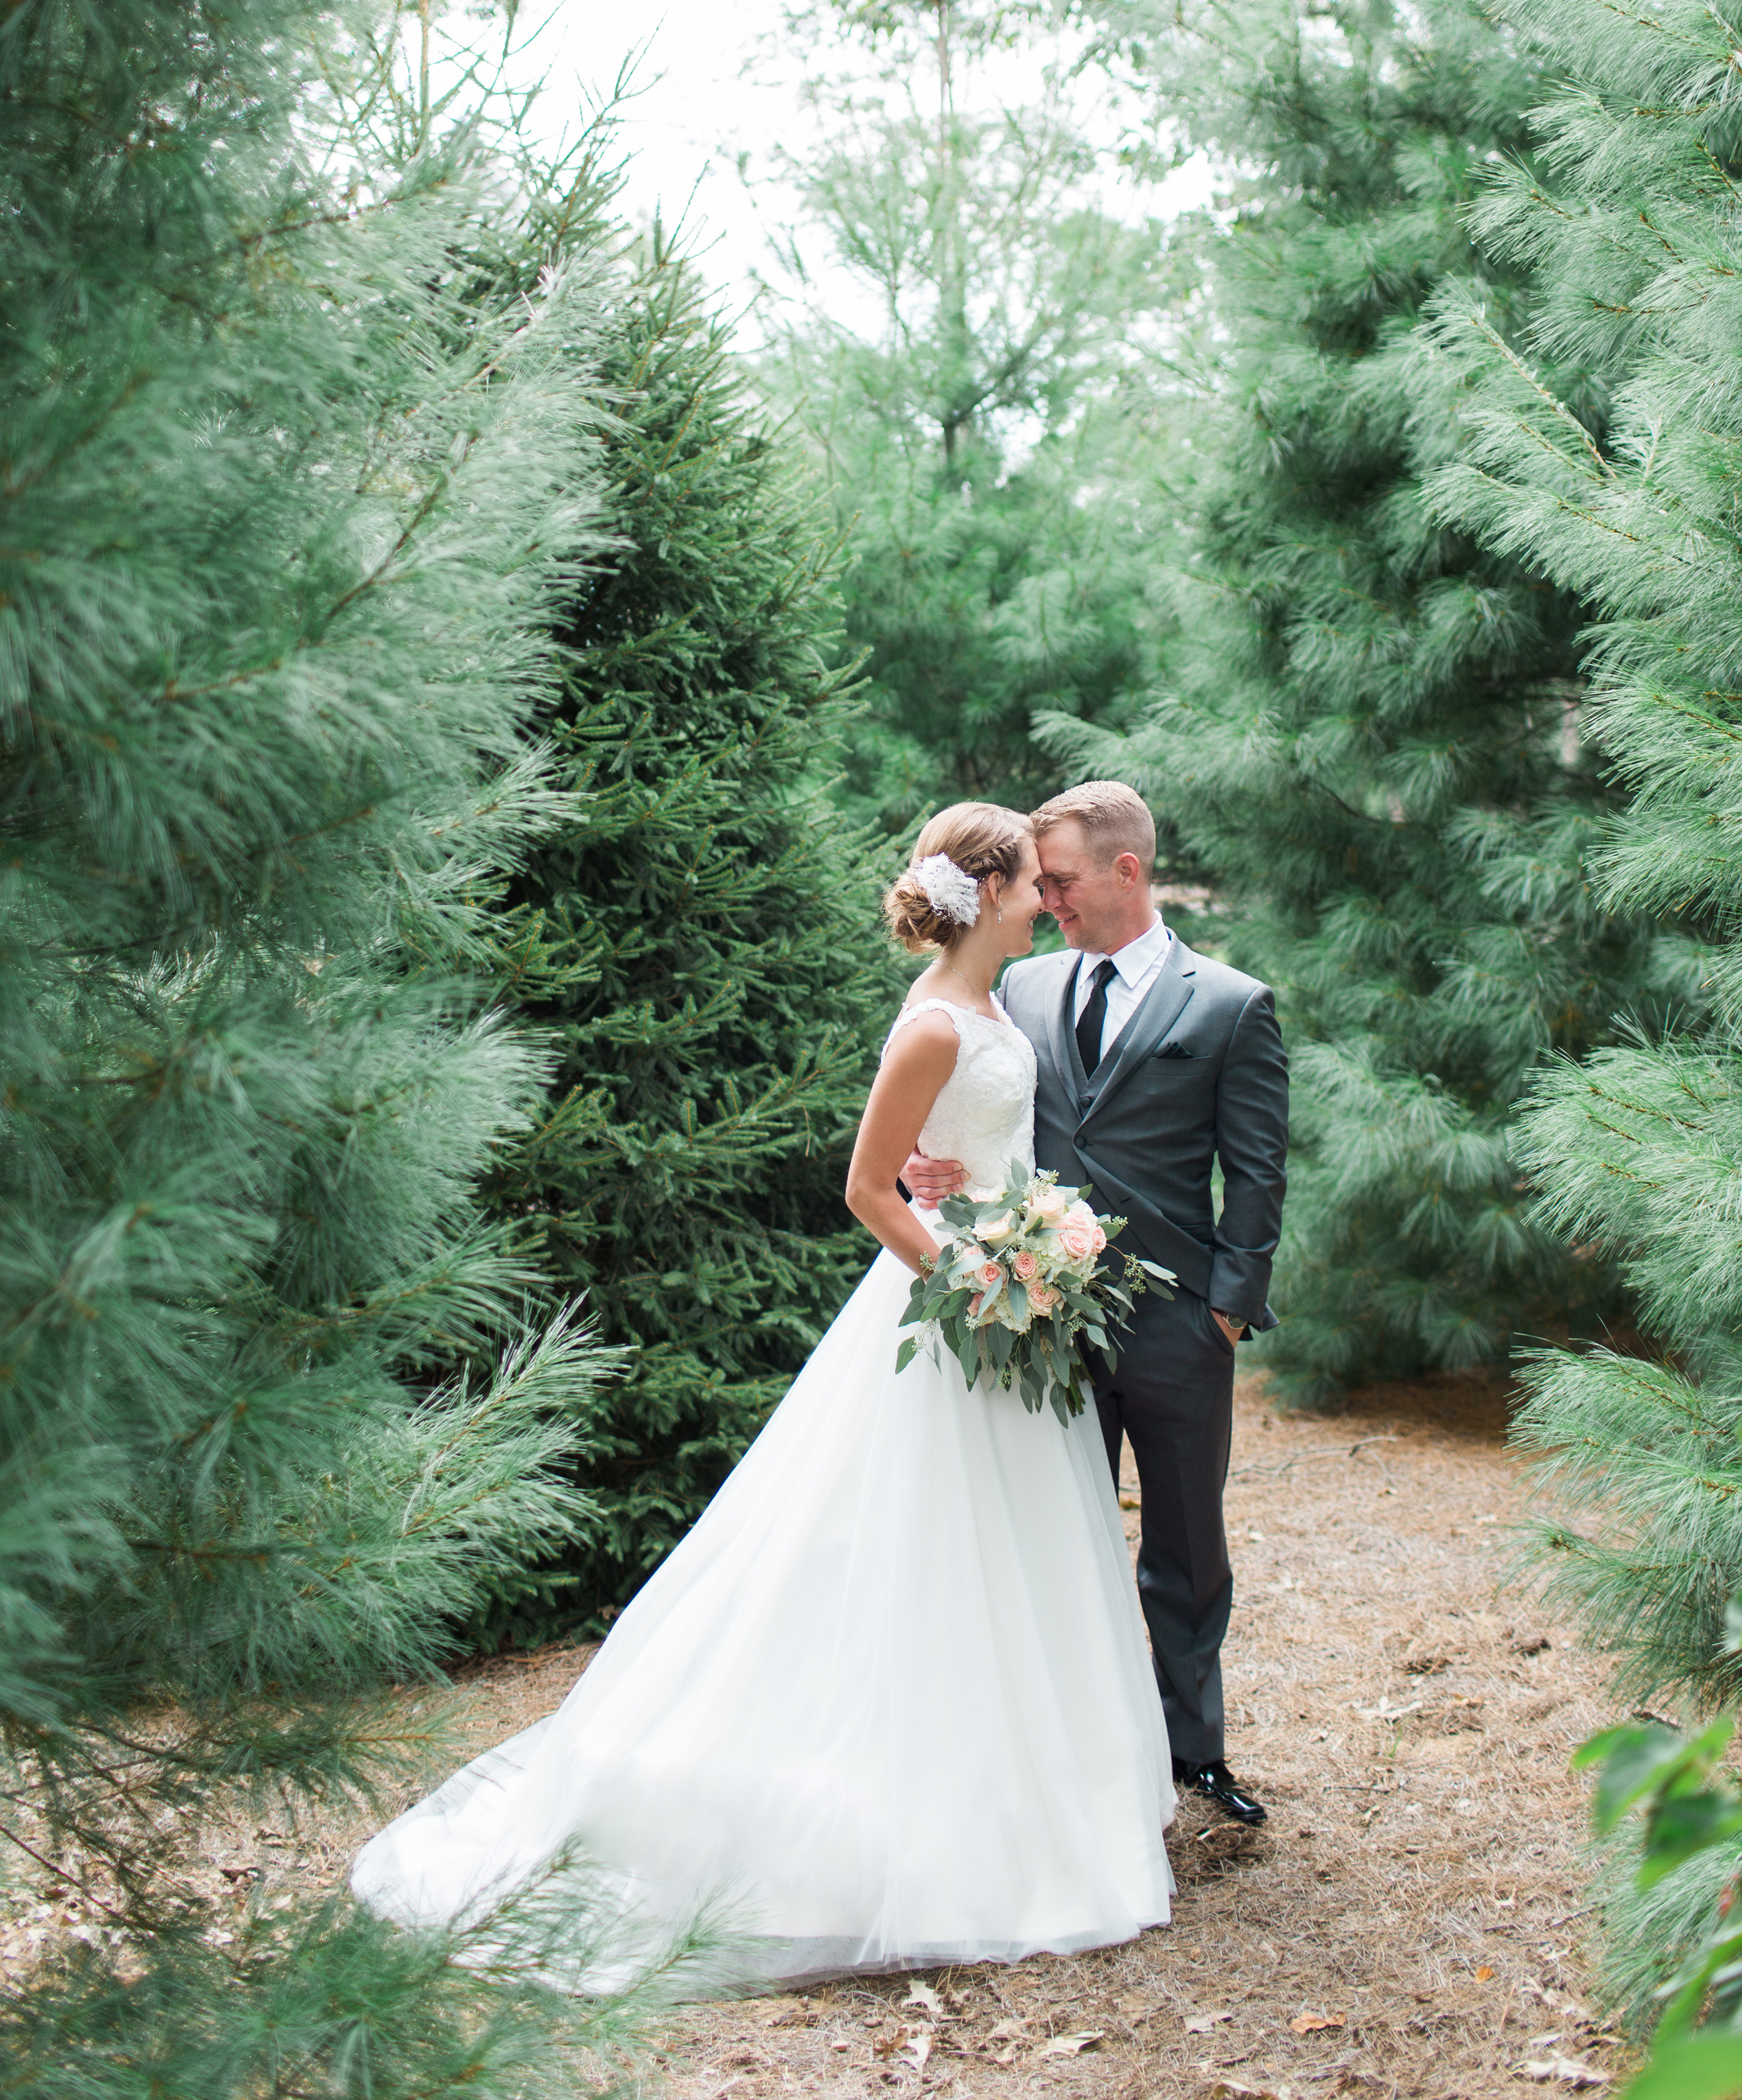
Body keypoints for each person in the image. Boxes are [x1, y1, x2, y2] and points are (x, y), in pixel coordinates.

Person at [349, 803, 1174, 1995]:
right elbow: (868, 1185)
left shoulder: (1001, 1000)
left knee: (1019, 1558)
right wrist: (979, 1275)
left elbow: (978, 1154)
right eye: (1029, 882)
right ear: (989, 891)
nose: (1048, 896)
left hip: (1013, 1307)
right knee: (918, 1555)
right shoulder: (937, 1020)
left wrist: (1033, 1240)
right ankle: (901, 1817)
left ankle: (1027, 1791)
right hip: (957, 1315)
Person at [905, 780, 1288, 1827]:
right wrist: (928, 1177)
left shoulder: (1229, 1004)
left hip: (1177, 1327)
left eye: (1064, 881)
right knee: (1051, 1545)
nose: (1052, 901)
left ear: (1127, 872)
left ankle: (1194, 1755)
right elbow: (939, 1105)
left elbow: (1255, 1176)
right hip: (1038, 1322)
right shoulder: (1018, 993)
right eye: (1044, 885)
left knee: (1185, 1550)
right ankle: (1070, 1758)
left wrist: (1227, 1307)